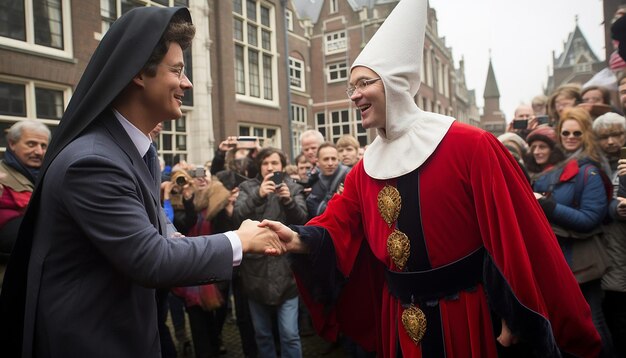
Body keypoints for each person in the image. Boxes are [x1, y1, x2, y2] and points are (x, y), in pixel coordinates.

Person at [259, 1, 601, 357]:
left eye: (363, 82)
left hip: (466, 313)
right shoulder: (366, 166)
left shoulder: (471, 146)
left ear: (393, 83)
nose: (355, 94)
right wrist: (299, 239)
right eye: (350, 87)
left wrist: (512, 316)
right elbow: (340, 222)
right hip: (397, 314)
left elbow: (514, 239)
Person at [0, 7, 284, 357]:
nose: (187, 83)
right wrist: (240, 240)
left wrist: (167, 233)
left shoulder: (136, 151)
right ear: (138, 73)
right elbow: (151, 259)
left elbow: (143, 233)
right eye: (177, 70)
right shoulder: (93, 162)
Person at [532, 107, 614, 356]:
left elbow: (590, 219)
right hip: (562, 259)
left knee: (594, 324)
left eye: (577, 132)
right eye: (565, 132)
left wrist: (548, 205)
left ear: (586, 134)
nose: (570, 137)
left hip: (584, 261)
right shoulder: (557, 168)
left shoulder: (589, 171)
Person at [232, 147, 308, 358]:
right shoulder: (248, 187)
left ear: (282, 166)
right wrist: (257, 196)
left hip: (287, 272)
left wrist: (288, 201)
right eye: (265, 163)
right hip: (256, 272)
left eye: (275, 163)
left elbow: (304, 221)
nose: (270, 167)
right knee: (262, 334)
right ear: (260, 166)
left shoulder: (292, 187)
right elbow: (236, 218)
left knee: (290, 334)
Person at [0, 120, 50, 289]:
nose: (39, 151)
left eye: (43, 146)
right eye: (31, 144)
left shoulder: (50, 175)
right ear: (12, 144)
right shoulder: (2, 177)